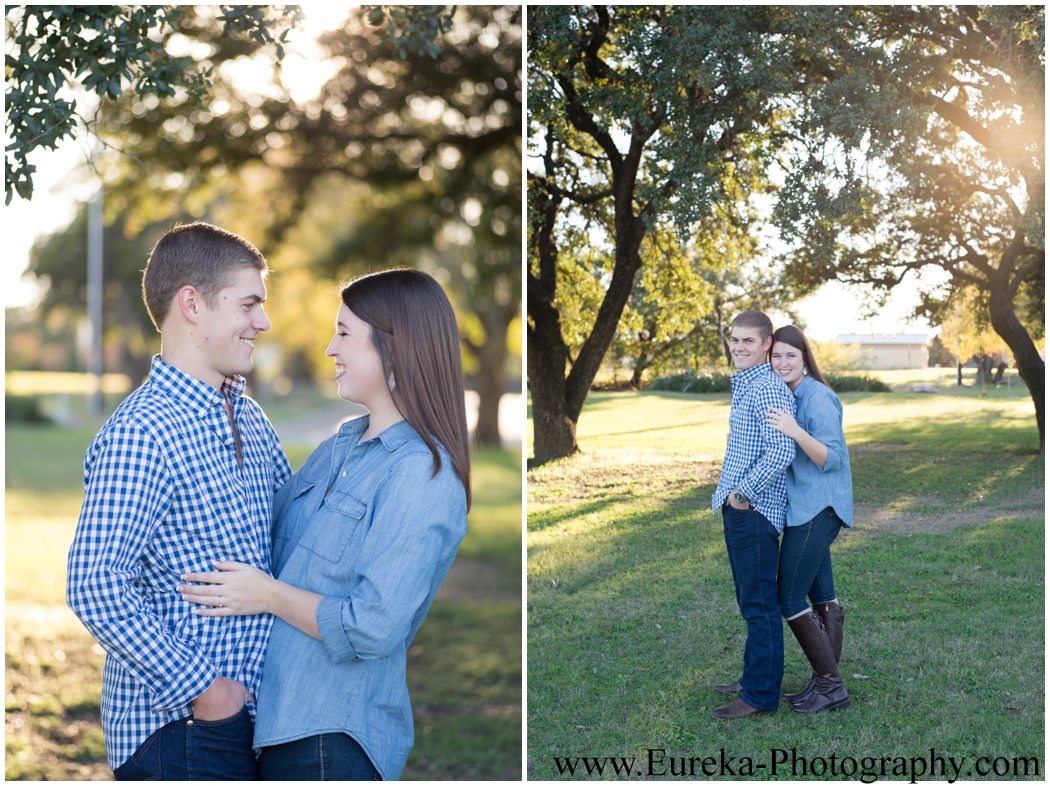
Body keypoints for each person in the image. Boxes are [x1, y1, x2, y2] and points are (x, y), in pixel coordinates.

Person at [178, 268, 470, 780]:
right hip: (275, 728)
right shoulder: (335, 449)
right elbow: (255, 528)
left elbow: (373, 625)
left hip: (332, 740)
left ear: (394, 349)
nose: (330, 349)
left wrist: (267, 595)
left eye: (344, 334)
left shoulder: (423, 474)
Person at [66, 222, 292, 779]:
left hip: (248, 722)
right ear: (193, 304)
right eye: (248, 304)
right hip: (182, 734)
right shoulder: (144, 431)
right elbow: (94, 582)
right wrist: (207, 692)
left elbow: (292, 532)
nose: (262, 322)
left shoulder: (247, 415)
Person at [710, 310, 796, 719]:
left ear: (766, 344)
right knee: (751, 602)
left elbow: (782, 450)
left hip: (754, 511)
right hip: (741, 509)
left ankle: (761, 695)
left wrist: (743, 494)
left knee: (759, 605)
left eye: (748, 341)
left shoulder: (767, 388)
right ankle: (752, 677)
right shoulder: (748, 384)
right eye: (735, 339)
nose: (739, 347)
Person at [765, 325, 852, 713]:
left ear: (804, 359)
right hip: (805, 507)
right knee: (823, 597)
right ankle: (825, 682)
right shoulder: (792, 393)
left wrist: (794, 430)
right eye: (777, 356)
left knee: (788, 596)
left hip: (819, 508)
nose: (782, 363)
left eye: (790, 356)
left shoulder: (817, 396)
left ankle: (831, 686)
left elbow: (830, 458)